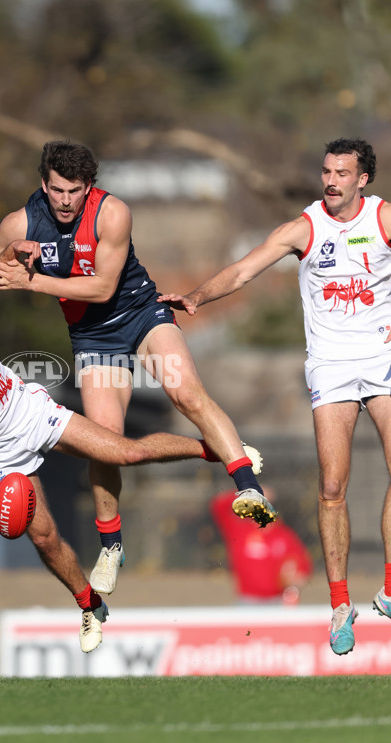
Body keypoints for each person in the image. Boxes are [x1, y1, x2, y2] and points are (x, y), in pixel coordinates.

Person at [0, 271, 261, 653]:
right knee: (43, 538)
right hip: (0, 453)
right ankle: (89, 605)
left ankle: (217, 450)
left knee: (126, 452)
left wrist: (14, 257)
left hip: (32, 412)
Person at [0, 140, 275, 598]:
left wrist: (29, 280)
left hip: (140, 315)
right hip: (93, 339)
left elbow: (101, 287)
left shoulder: (113, 214)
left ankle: (248, 488)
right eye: (57, 190)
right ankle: (111, 545)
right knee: (106, 442)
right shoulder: (20, 221)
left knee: (186, 393)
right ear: (43, 184)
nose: (66, 200)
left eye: (75, 190)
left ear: (89, 187)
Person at [159, 137, 391, 655]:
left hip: (383, 361)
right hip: (330, 367)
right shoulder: (304, 228)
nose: (330, 180)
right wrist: (197, 295)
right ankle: (339, 607)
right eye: (326, 170)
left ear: (363, 179)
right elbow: (243, 269)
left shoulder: (382, 221)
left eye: (342, 173)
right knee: (333, 485)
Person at [211, 488, 312, 605]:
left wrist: (296, 580)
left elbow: (303, 566)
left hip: (277, 602)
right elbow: (218, 505)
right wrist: (248, 492)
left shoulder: (284, 536)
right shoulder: (239, 531)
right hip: (247, 601)